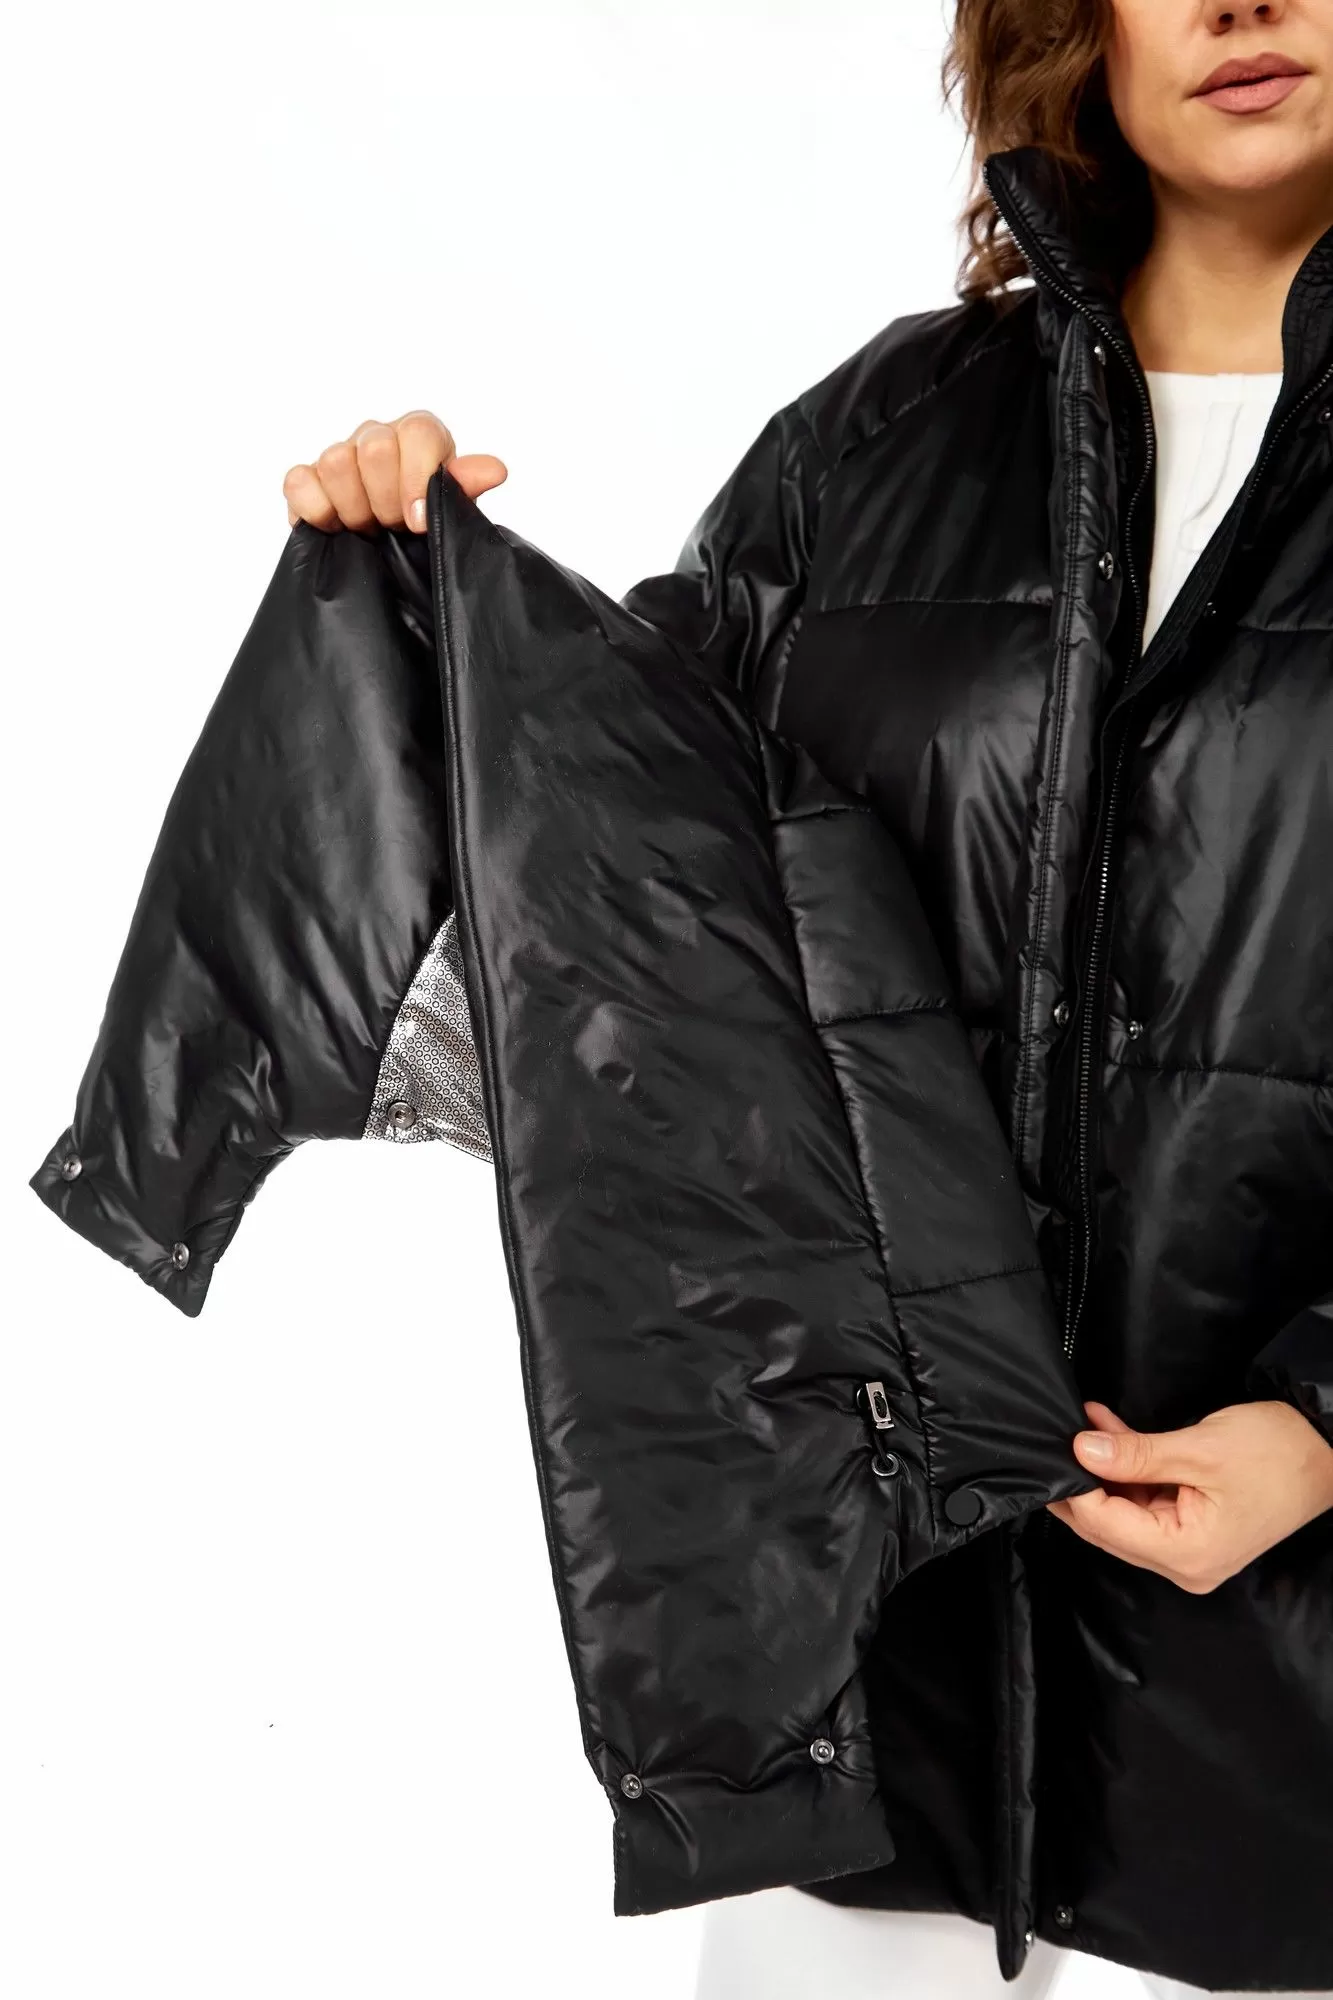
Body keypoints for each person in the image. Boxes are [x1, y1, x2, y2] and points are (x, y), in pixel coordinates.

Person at [280, 2, 1333, 1995]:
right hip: (883, 1679)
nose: (1243, 4)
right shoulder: (878, 444)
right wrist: (430, 632)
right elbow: (641, 917)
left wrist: (1320, 1428)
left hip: (1290, 1701)